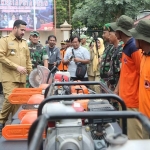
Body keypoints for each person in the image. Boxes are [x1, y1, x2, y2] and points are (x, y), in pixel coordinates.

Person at [0, 20, 32, 131]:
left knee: (19, 101)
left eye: (24, 30)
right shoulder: (4, 40)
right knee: (10, 98)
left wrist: (31, 72)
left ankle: (15, 123)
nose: (23, 32)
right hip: (9, 76)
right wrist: (16, 66)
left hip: (22, 78)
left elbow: (28, 59)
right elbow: (1, 56)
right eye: (21, 30)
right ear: (14, 28)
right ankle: (1, 120)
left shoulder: (24, 42)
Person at [114, 15, 142, 139]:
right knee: (126, 137)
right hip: (124, 99)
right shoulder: (126, 47)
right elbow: (125, 72)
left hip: (133, 102)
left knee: (134, 139)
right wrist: (117, 90)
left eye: (116, 30)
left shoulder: (134, 48)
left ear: (121, 31)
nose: (114, 32)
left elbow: (143, 73)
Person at [129, 20, 150, 139]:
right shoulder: (143, 55)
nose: (133, 38)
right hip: (144, 118)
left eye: (135, 36)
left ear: (142, 39)